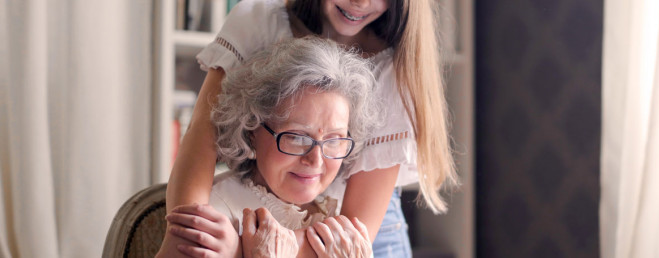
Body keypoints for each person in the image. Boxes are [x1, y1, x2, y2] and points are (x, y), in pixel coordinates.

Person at [162, 0, 458, 257]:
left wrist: (241, 249)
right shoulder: (259, 21)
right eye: (296, 137)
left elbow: (351, 236)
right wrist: (194, 231)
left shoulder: (394, 70)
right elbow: (203, 133)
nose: (359, 2)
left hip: (357, 227)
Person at [160, 37, 378, 257]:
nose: (316, 160)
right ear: (252, 129)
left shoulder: (343, 218)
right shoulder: (212, 217)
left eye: (334, 140)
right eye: (297, 137)